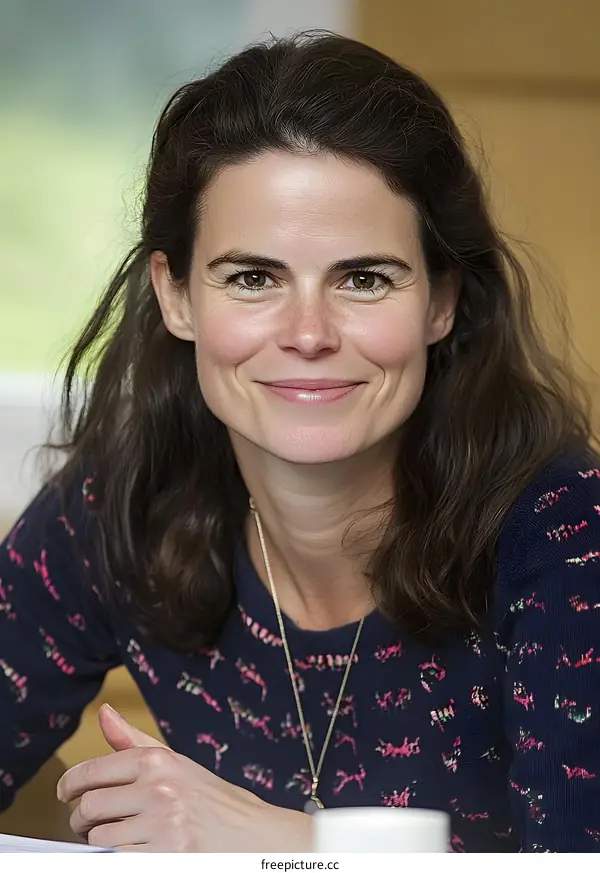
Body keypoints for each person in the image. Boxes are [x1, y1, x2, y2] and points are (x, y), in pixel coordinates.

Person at [1, 31, 599, 854]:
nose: (309, 333)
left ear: (441, 300)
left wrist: (287, 842)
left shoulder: (569, 535)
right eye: (253, 277)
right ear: (176, 296)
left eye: (364, 278)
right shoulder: (122, 502)